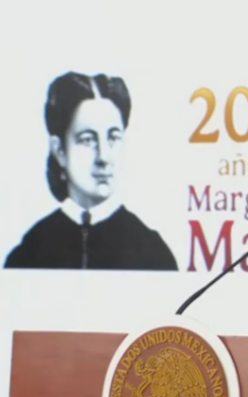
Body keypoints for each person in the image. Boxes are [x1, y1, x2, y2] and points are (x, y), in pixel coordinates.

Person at [4, 71, 178, 271]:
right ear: (59, 150)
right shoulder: (29, 253)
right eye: (88, 140)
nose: (103, 157)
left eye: (113, 138)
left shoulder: (153, 253)